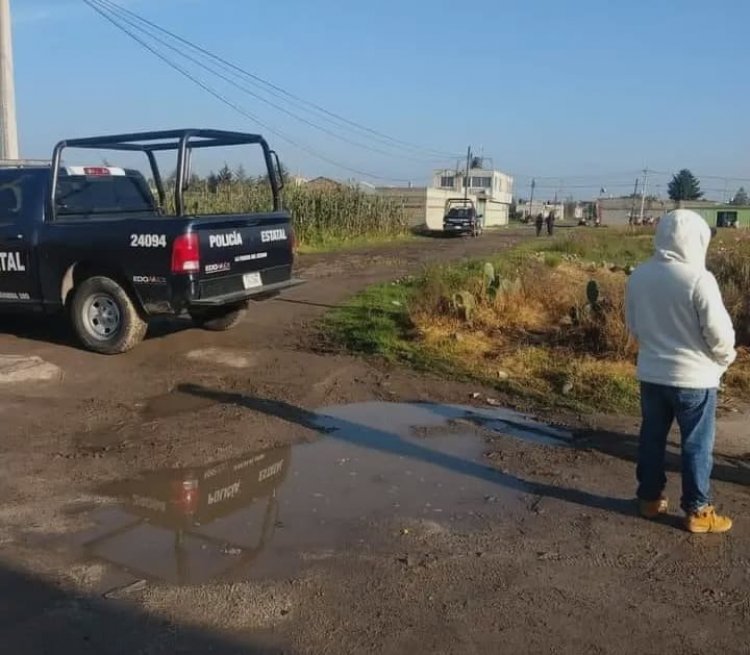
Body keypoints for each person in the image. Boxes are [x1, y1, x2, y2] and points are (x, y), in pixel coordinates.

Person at [626, 209, 736, 533]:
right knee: (696, 445)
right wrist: (723, 360)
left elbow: (633, 325)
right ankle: (698, 510)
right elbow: (719, 333)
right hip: (695, 378)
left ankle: (649, 498)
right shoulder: (699, 278)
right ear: (697, 239)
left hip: (651, 373)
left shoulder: (639, 275)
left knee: (651, 437)